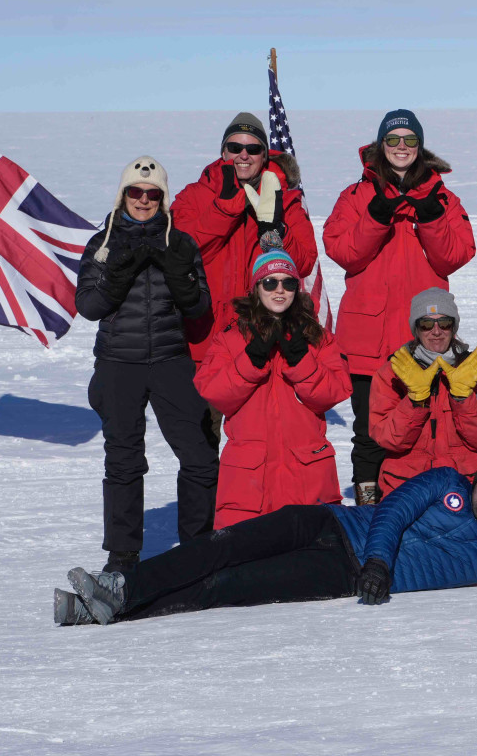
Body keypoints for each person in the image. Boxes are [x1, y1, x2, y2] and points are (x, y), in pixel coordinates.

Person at [55, 446, 477, 624]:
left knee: (230, 586)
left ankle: (105, 608)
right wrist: (381, 565)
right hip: (331, 523)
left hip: (339, 573)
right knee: (222, 547)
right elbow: (391, 512)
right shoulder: (444, 483)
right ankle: (124, 587)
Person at [324, 110, 477, 504]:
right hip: (367, 343)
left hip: (426, 336)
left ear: (420, 147)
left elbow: (456, 255)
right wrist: (376, 216)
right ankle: (368, 515)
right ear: (380, 146)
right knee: (371, 433)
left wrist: (431, 219)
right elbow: (343, 251)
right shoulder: (356, 196)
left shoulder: (442, 197)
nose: (402, 148)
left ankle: (423, 509)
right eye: (393, 140)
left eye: (410, 140)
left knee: (424, 427)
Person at [75, 155, 218, 573]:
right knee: (123, 458)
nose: (143, 200)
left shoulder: (182, 243)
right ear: (123, 195)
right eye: (135, 193)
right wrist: (117, 274)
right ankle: (122, 556)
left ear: (163, 198)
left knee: (199, 454)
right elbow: (88, 306)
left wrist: (180, 275)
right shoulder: (102, 243)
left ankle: (198, 545)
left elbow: (199, 307)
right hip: (120, 363)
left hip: (171, 359)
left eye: (152, 194)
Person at [193, 249, 350, 526]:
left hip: (306, 478)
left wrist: (302, 362)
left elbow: (334, 392)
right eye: (270, 282)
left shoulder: (316, 337)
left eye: (288, 283)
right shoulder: (230, 340)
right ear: (256, 288)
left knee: (307, 563)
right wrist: (251, 361)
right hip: (250, 485)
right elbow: (214, 393)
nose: (280, 290)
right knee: (246, 564)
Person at [170, 112, 320, 371]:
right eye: (235, 147)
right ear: (223, 153)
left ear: (264, 155)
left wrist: (276, 230)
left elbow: (304, 264)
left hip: (266, 340)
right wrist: (225, 210)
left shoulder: (286, 200)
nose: (243, 155)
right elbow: (179, 255)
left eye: (252, 148)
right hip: (204, 339)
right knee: (202, 412)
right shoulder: (193, 196)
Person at [369, 288, 477, 496]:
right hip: (405, 487)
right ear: (416, 329)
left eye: (444, 323)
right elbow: (389, 439)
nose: (436, 331)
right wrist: (415, 402)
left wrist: (462, 398)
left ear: (454, 327)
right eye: (426, 324)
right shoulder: (392, 372)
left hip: (463, 485)